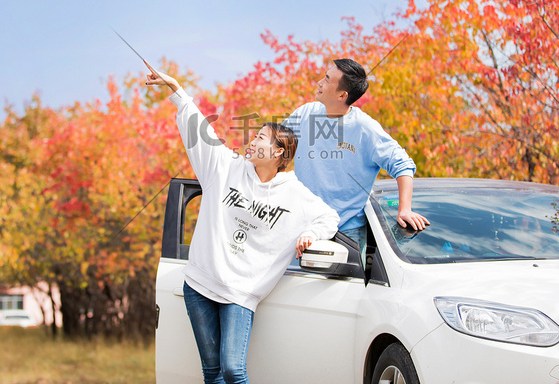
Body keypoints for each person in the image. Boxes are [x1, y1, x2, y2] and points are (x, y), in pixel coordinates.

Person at [146, 69, 339, 384]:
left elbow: (329, 217)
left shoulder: (295, 194)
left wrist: (310, 234)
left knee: (234, 370)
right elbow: (199, 132)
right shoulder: (224, 167)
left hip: (241, 292)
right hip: (199, 284)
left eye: (260, 137)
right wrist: (178, 91)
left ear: (279, 152)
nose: (252, 141)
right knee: (212, 374)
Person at [282, 58, 429, 256]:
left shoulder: (365, 128)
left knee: (345, 287)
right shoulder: (305, 113)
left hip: (345, 231)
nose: (319, 83)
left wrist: (405, 209)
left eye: (326, 79)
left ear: (342, 95)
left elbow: (402, 164)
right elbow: (275, 146)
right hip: (300, 226)